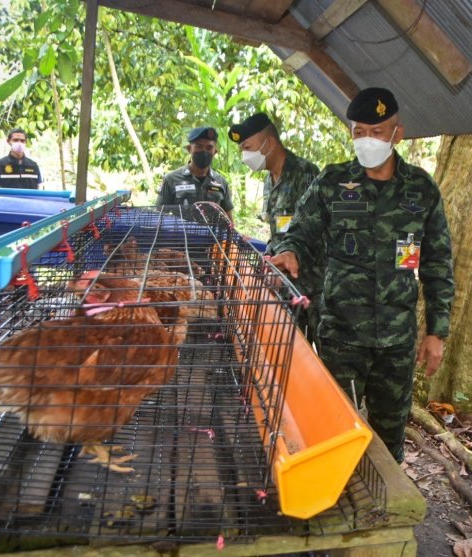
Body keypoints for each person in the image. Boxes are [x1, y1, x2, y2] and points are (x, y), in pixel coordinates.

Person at [270, 87, 455, 463]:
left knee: (389, 435)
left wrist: (436, 332)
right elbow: (301, 232)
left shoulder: (421, 190)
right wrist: (288, 251)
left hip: (396, 340)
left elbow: (438, 263)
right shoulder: (332, 182)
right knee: (337, 428)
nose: (367, 140)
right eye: (359, 132)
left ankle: (387, 507)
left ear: (397, 134)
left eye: (377, 131)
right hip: (341, 334)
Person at [228, 113, 324, 348]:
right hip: (285, 285)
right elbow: (278, 230)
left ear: (269, 143)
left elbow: (319, 230)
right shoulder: (269, 181)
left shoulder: (306, 174)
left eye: (247, 147)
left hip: (313, 286)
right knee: (289, 353)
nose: (245, 156)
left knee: (323, 360)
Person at [156, 126, 234, 222]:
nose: (204, 151)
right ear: (189, 149)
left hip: (212, 237)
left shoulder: (221, 182)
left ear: (215, 152)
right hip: (182, 236)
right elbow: (158, 215)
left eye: (209, 148)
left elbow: (229, 220)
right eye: (199, 146)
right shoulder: (171, 179)